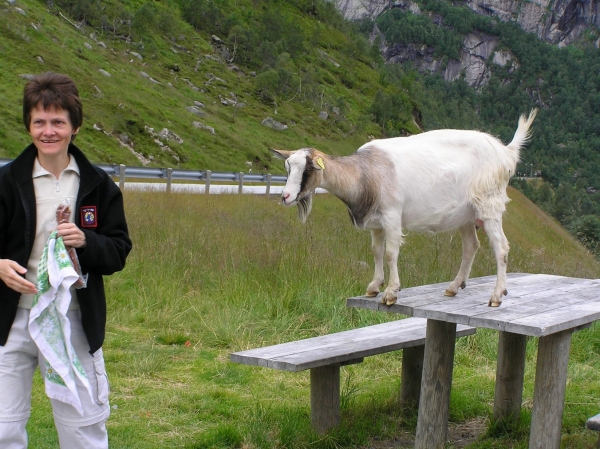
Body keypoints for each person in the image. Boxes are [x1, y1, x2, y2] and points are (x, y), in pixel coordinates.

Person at [0, 72, 132, 448]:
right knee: (3, 427)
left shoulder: (98, 186)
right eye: (39, 121)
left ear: (75, 126)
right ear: (28, 125)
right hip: (11, 321)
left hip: (74, 316)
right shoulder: (7, 182)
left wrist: (86, 241)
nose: (48, 131)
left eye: (58, 121)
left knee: (83, 427)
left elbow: (119, 250)